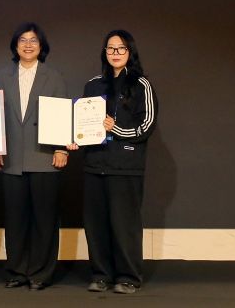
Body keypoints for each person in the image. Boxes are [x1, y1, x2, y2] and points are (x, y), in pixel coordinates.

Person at [0, 22, 70, 291]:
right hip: (12, 158)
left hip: (44, 157)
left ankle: (40, 273)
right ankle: (16, 270)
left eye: (33, 40)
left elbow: (62, 113)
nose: (27, 45)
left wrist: (61, 148)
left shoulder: (54, 76)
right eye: (22, 40)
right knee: (15, 219)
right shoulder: (2, 76)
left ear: (41, 46)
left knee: (44, 220)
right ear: (15, 45)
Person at [79, 29, 158, 295]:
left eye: (121, 48)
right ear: (104, 52)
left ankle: (128, 277)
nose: (115, 53)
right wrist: (74, 139)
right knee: (96, 225)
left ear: (130, 52)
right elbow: (82, 123)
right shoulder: (93, 85)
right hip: (95, 164)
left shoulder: (141, 85)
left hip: (126, 166)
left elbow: (147, 125)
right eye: (110, 48)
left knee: (125, 225)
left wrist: (117, 129)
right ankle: (101, 275)